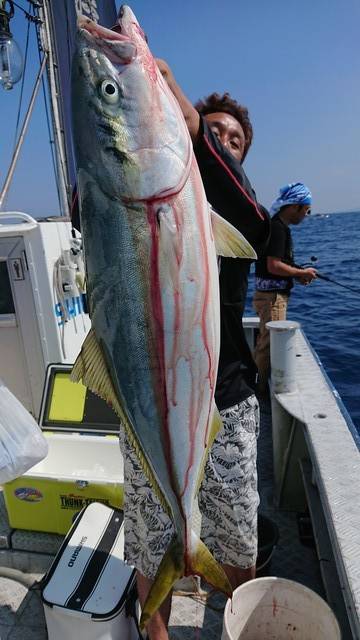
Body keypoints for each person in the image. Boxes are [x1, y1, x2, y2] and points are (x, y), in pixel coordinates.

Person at [118, 57, 270, 640]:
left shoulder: (238, 208)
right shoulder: (162, 190)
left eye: (234, 140)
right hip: (149, 404)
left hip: (226, 400)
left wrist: (186, 108)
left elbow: (252, 221)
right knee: (149, 541)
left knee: (236, 536)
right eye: (213, 131)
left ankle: (244, 624)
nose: (222, 144)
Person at [253, 182, 317, 394]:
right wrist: (301, 273)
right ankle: (260, 391)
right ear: (295, 206)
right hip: (272, 298)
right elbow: (274, 265)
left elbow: (275, 265)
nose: (306, 216)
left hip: (269, 295)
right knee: (268, 344)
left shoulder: (276, 226)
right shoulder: (279, 228)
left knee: (266, 342)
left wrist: (298, 274)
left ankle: (258, 386)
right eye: (306, 211)